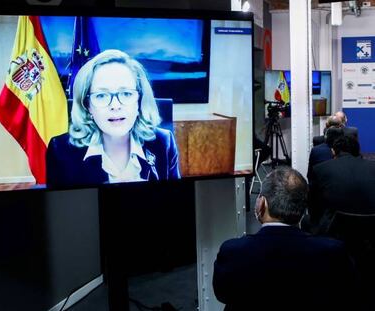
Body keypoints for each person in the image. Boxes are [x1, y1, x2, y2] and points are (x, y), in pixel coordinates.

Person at [213, 167, 358, 311]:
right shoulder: (333, 252)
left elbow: (222, 295)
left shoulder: (233, 252)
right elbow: (347, 294)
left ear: (262, 203)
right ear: (303, 208)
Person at [46, 49, 180, 188]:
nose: (115, 106)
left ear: (139, 102)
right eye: (101, 95)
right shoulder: (61, 150)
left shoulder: (164, 143)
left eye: (126, 94)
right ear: (87, 106)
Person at [308, 135, 375, 234]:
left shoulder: (320, 169)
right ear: (357, 151)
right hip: (370, 232)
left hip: (332, 232)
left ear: (333, 151)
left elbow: (313, 205)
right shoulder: (372, 167)